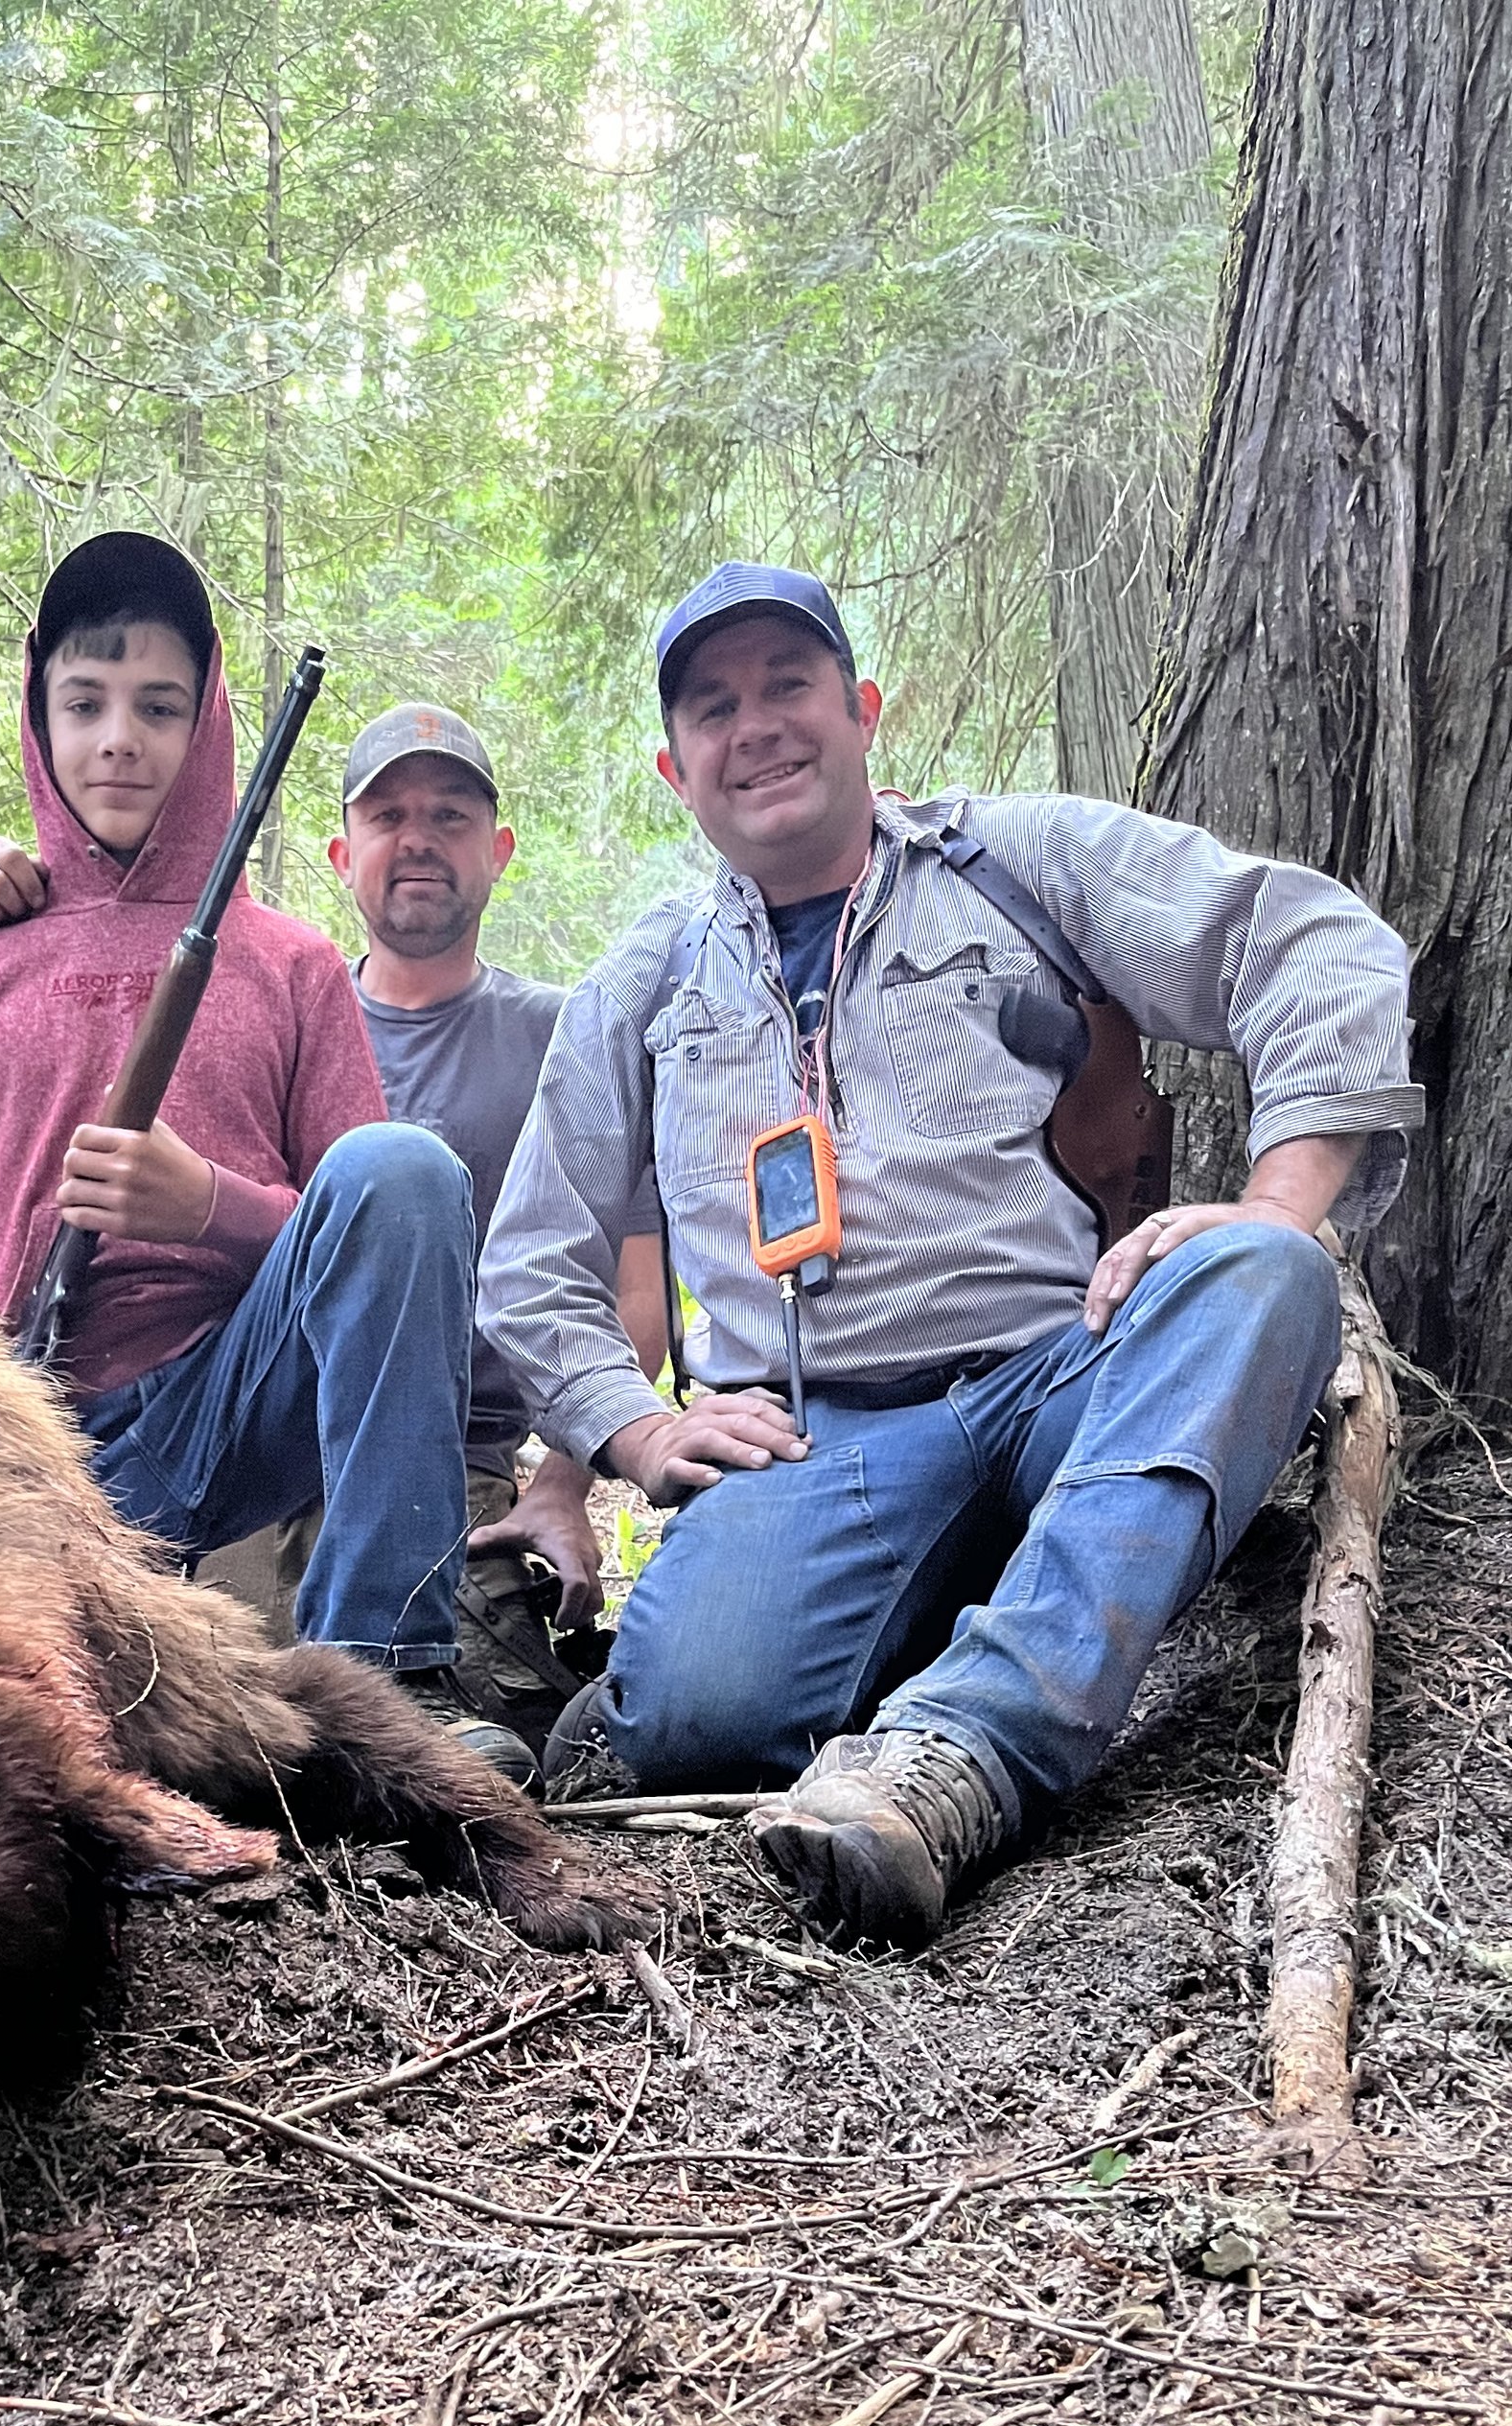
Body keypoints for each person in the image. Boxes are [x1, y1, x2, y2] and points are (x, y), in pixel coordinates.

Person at [478, 561, 1419, 1945]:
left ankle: (964, 1753)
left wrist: (1281, 1199)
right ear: (675, 771)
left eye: (790, 686)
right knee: (685, 1717)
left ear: (862, 711)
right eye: (716, 708)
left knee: (1265, 1278)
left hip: (1058, 1378)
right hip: (817, 1444)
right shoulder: (648, 982)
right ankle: (934, 1609)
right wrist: (627, 1429)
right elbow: (531, 1260)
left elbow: (1313, 941)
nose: (760, 728)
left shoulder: (1015, 863)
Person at [0, 531, 530, 1779]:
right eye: (86, 702)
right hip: (36, 1440)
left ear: (209, 722)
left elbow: (378, 1228)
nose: (121, 736)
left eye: (159, 705)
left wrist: (210, 1208)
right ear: (39, 719)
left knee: (406, 1165)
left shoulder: (285, 963)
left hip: (241, 1416)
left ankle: (393, 1683)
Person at [0, 702, 670, 1727]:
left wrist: (565, 1483)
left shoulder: (562, 1036)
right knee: (200, 1715)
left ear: (499, 849)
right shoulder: (266, 983)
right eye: (389, 816)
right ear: (340, 852)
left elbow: (638, 1304)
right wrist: (30, 890)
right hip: (248, 1449)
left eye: (451, 816)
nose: (418, 840)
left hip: (448, 1465)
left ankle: (394, 1671)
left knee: (514, 1712)